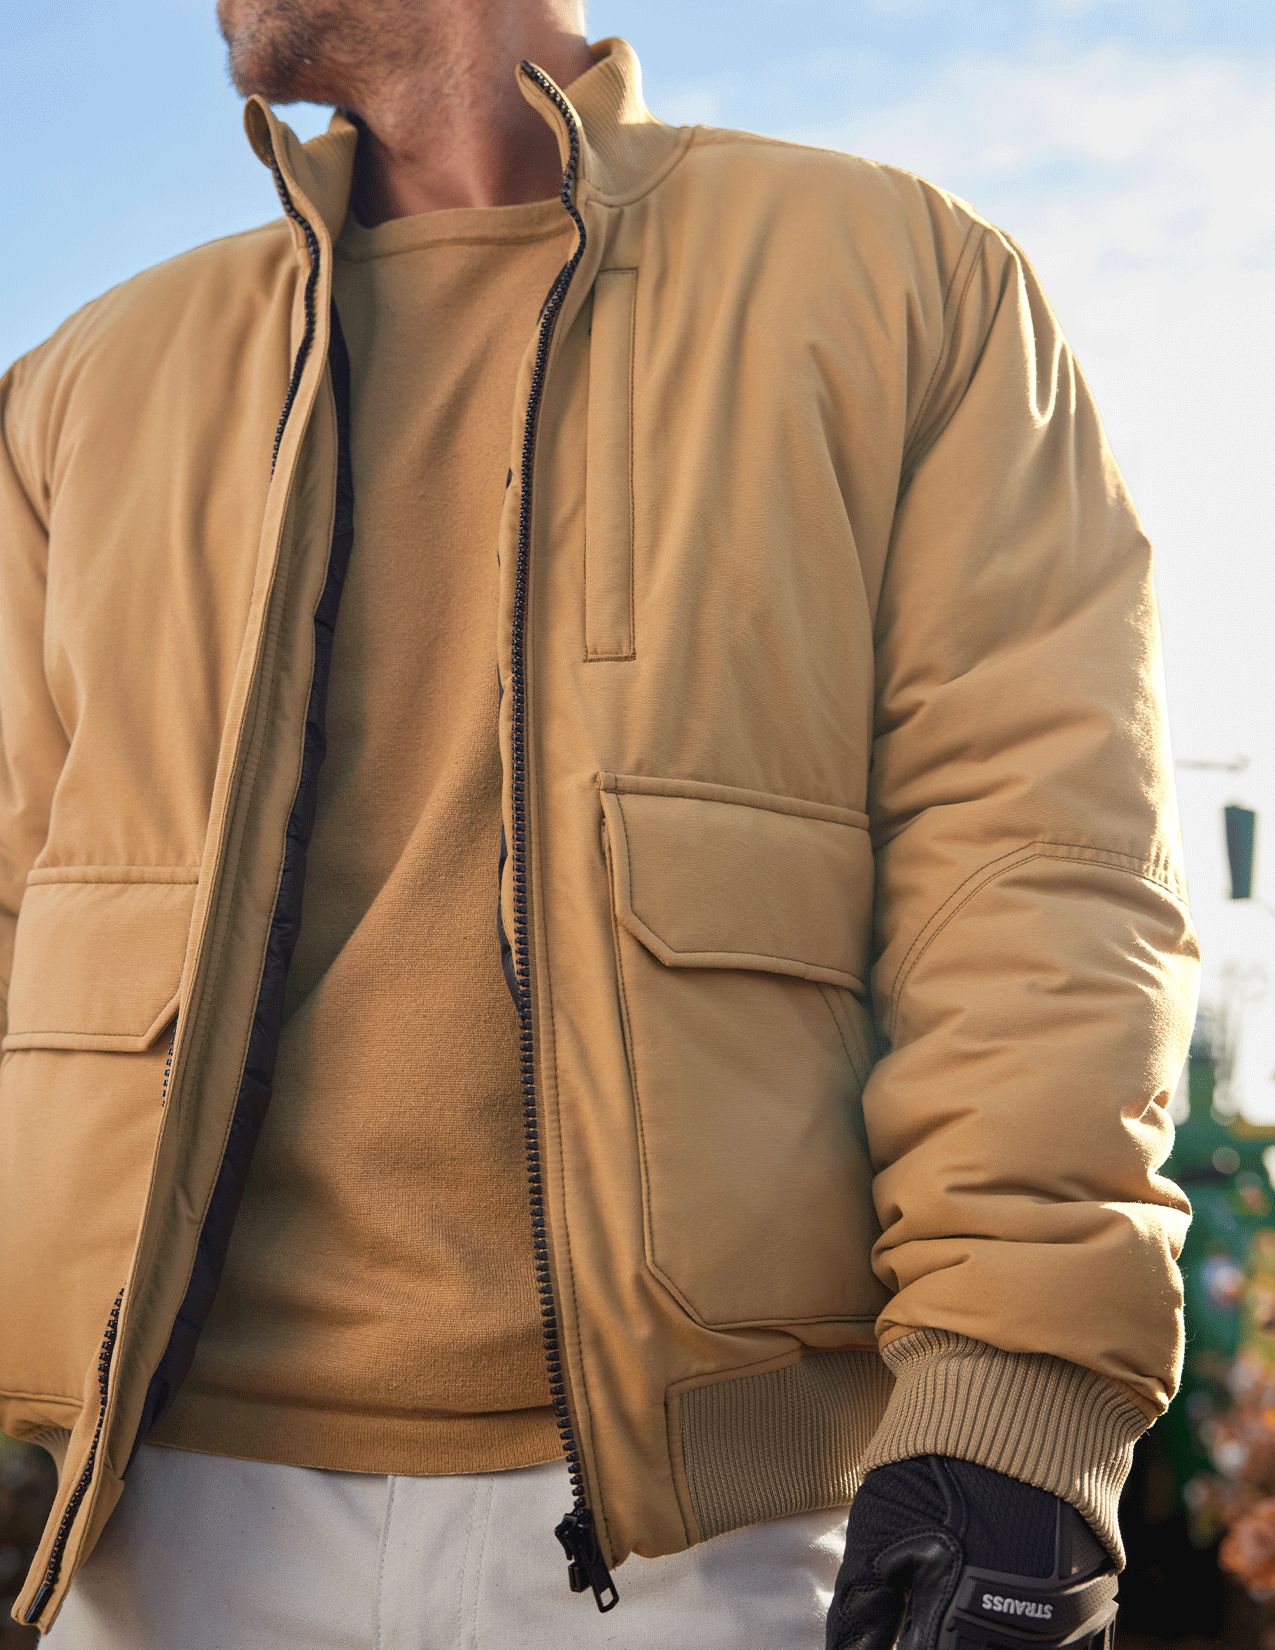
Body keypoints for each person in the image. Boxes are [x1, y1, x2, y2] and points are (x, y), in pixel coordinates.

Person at [0, 1, 1198, 1645]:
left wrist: (1012, 1414)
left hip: (714, 1537)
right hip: (152, 1522)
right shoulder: (84, 386)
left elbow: (1034, 871)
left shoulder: (895, 277)